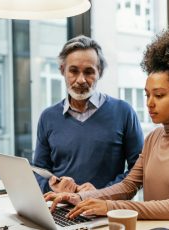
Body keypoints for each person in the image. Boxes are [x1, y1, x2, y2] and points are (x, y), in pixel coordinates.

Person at [44, 26, 169, 227]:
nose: (149, 103)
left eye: (159, 95)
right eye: (147, 95)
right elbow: (129, 185)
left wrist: (111, 207)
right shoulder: (154, 138)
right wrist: (82, 197)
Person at [32, 35, 144, 194]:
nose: (81, 80)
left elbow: (139, 171)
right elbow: (39, 171)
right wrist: (51, 186)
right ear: (62, 70)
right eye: (73, 71)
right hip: (59, 209)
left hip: (104, 211)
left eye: (89, 72)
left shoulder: (124, 112)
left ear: (100, 72)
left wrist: (103, 193)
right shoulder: (48, 117)